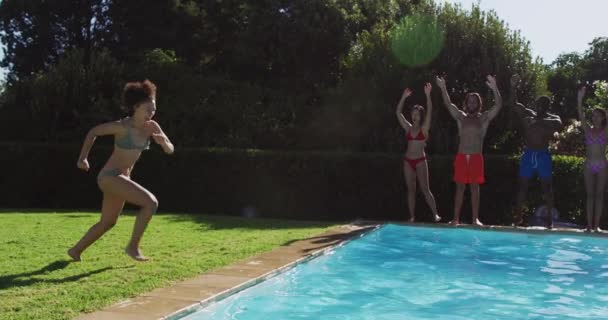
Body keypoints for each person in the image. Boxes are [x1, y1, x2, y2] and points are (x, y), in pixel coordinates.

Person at [68, 79, 174, 261]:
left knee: (108, 222)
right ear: (136, 107)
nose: (152, 113)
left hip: (122, 178)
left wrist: (164, 143)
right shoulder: (121, 127)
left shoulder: (152, 127)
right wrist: (82, 158)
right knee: (151, 203)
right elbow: (93, 132)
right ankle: (133, 247)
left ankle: (75, 250)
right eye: (148, 109)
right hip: (110, 177)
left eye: (154, 109)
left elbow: (170, 149)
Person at [435, 75, 503, 226]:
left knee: (474, 188)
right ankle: (455, 219)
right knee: (459, 188)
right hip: (461, 156)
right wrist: (443, 87)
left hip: (476, 157)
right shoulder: (461, 117)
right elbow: (448, 103)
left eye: (475, 101)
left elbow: (498, 106)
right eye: (469, 101)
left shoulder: (483, 118)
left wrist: (494, 88)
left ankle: (475, 219)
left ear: (478, 104)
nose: (472, 103)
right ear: (466, 103)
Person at [510, 74, 563, 229]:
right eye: (539, 103)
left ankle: (550, 221)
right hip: (529, 154)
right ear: (536, 103)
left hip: (542, 155)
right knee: (522, 186)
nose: (540, 106)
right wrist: (513, 87)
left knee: (547, 187)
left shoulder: (552, 118)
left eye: (544, 104)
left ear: (548, 106)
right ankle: (518, 218)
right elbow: (514, 104)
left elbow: (559, 123)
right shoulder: (529, 113)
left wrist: (538, 122)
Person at [395, 83, 441, 222]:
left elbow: (430, 112)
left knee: (425, 189)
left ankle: (435, 214)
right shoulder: (408, 128)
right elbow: (398, 113)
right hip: (408, 161)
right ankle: (412, 217)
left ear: (421, 116)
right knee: (411, 190)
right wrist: (403, 97)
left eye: (417, 114)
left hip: (420, 160)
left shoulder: (424, 129)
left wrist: (428, 96)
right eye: (413, 114)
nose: (414, 116)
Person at [576, 85, 607, 232]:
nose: (594, 117)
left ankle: (597, 226)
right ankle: (589, 226)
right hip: (588, 165)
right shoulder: (587, 129)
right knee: (590, 196)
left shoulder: (605, 130)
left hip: (602, 164)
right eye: (593, 115)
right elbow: (581, 115)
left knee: (599, 196)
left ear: (602, 117)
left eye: (597, 115)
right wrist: (580, 99)